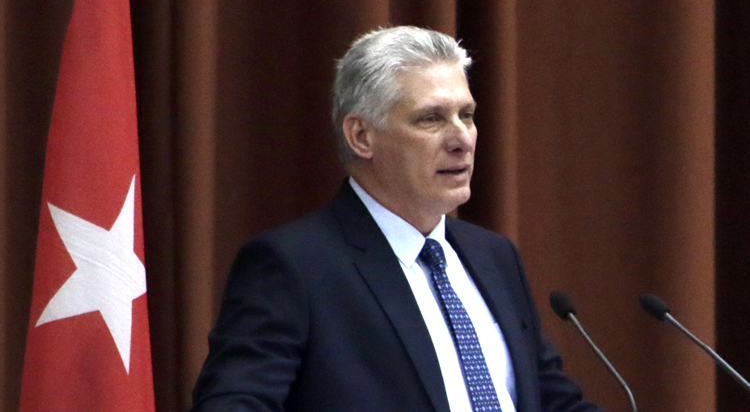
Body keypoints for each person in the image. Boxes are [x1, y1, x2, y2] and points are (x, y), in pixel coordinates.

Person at [191, 26, 602, 412]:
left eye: (467, 115)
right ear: (361, 137)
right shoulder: (295, 266)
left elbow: (552, 400)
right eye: (431, 118)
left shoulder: (494, 256)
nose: (462, 138)